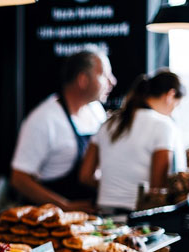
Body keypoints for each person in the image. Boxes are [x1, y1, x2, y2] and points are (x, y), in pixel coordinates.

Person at [10, 47, 117, 212]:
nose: (112, 81)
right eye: (104, 75)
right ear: (83, 80)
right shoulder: (44, 119)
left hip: (90, 217)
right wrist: (65, 206)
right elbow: (19, 179)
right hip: (51, 221)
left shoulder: (96, 110)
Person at [79, 70, 186, 213]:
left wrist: (113, 188)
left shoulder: (108, 123)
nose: (174, 111)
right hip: (138, 217)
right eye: (177, 105)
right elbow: (158, 189)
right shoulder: (164, 125)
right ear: (170, 95)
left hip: (104, 213)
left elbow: (85, 176)